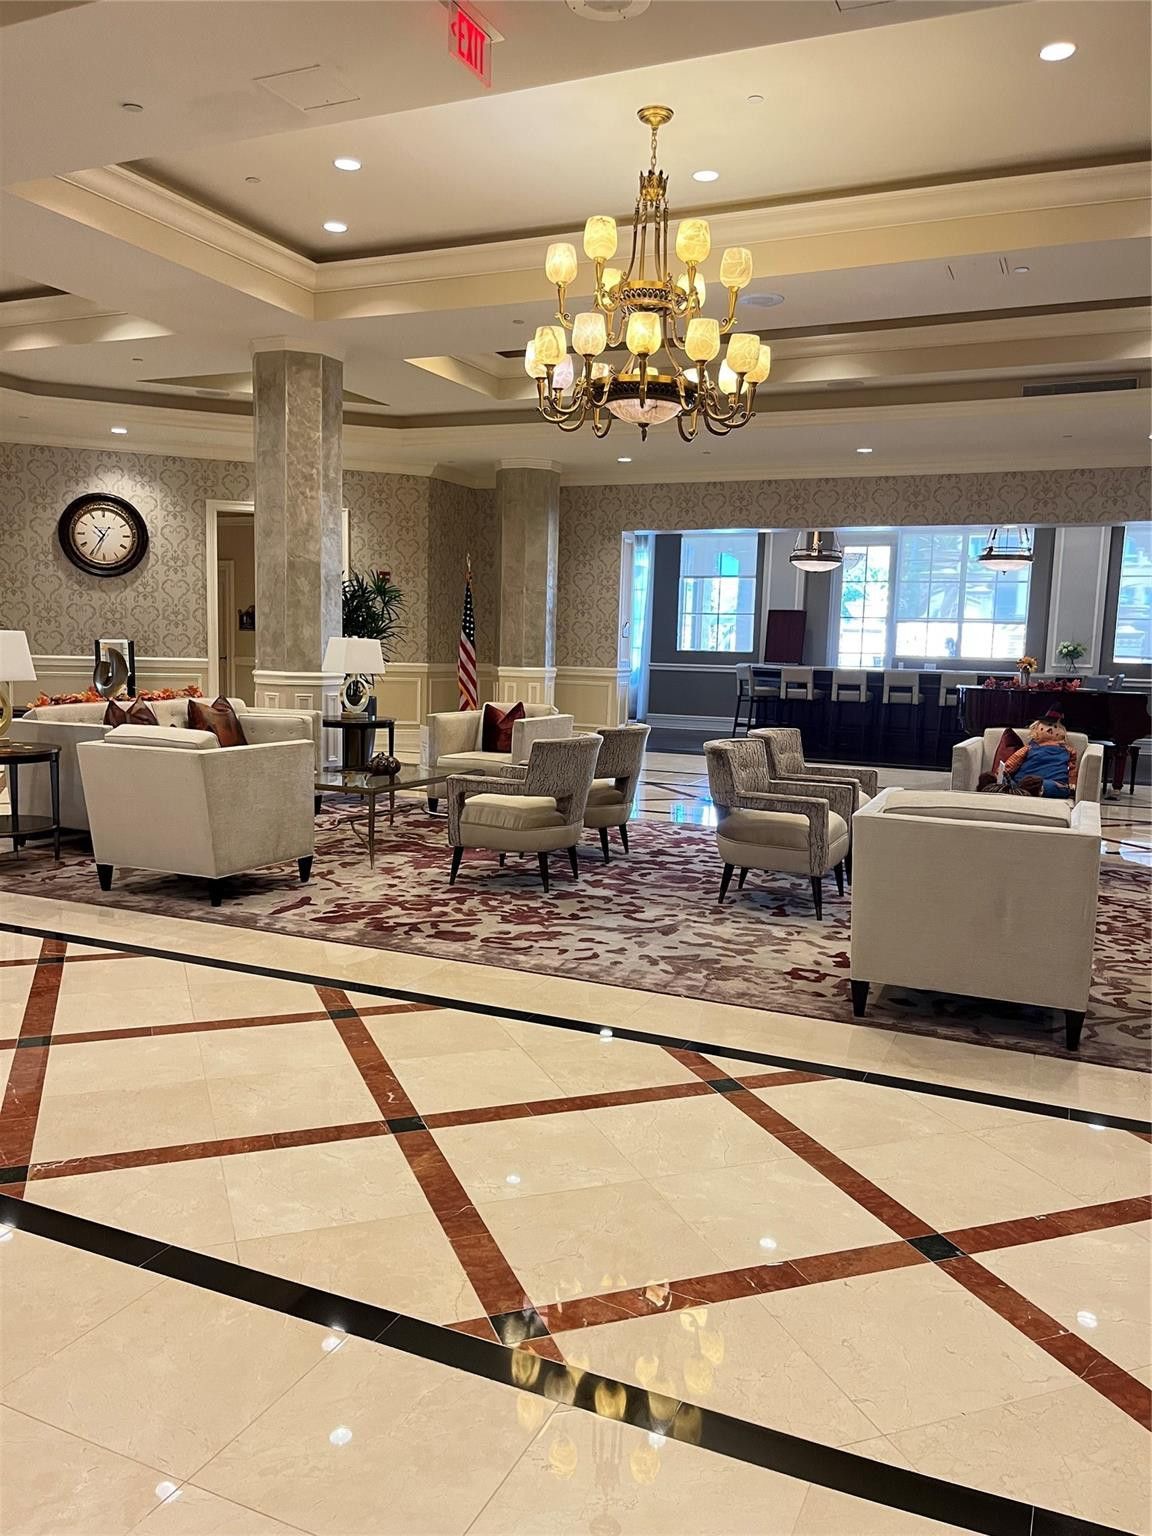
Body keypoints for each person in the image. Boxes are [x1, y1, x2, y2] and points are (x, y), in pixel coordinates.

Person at [978, 710, 1077, 799]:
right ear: (1037, 728)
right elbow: (1013, 762)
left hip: (1050, 783)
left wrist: (1072, 783)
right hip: (1021, 782)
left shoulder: (1068, 750)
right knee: (1001, 780)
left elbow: (1072, 769)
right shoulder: (1029, 748)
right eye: (1048, 725)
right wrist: (1000, 774)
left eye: (1055, 726)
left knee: (1055, 788)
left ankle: (1029, 789)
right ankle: (997, 783)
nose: (1051, 728)